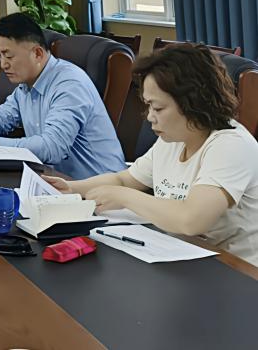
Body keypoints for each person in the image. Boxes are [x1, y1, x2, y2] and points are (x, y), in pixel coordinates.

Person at [46, 44, 258, 266]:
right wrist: (72, 188)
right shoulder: (174, 138)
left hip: (235, 270)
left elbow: (191, 220)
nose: (149, 117)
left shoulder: (231, 145)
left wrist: (123, 197)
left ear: (193, 102)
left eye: (157, 108)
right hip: (183, 256)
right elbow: (124, 180)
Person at [0, 13, 126, 179]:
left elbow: (52, 148)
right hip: (57, 181)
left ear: (37, 53)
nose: (3, 65)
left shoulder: (70, 85)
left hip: (100, 189)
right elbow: (3, 117)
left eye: (8, 56)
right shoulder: (27, 84)